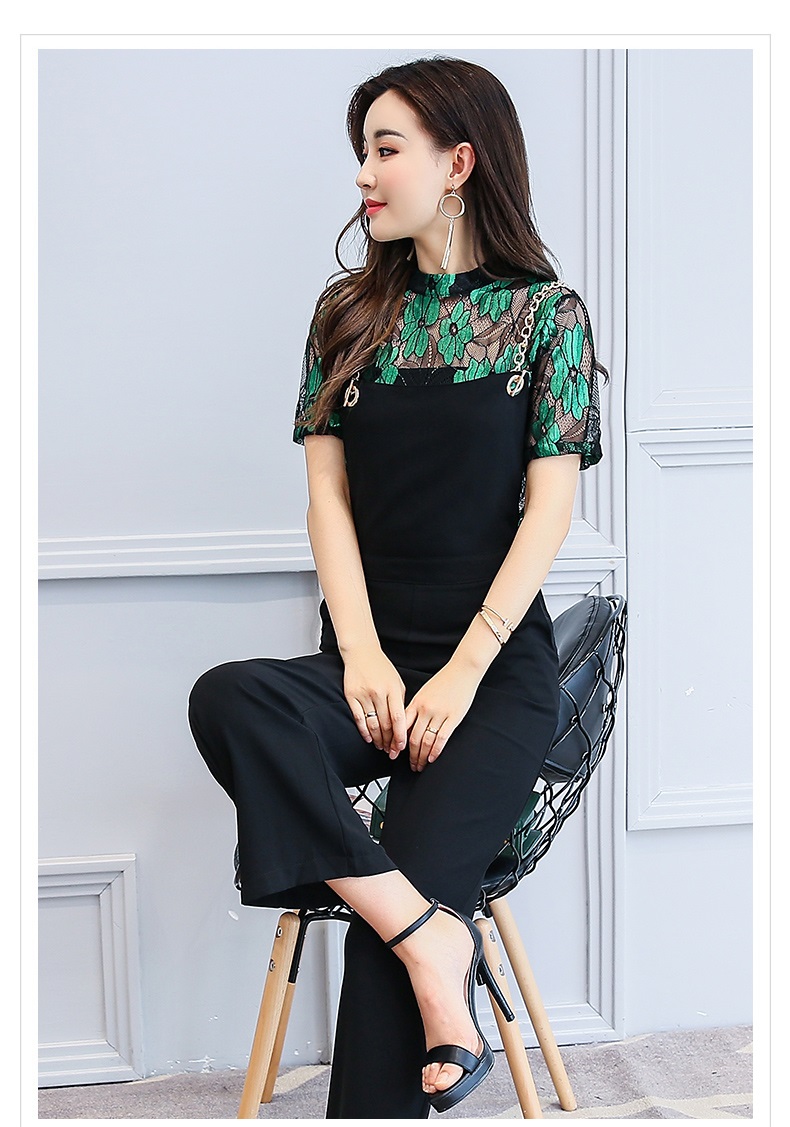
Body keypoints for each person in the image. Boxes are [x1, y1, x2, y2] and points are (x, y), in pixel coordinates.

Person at [188, 54, 607, 1119]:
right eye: (362, 153)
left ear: (458, 163)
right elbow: (325, 502)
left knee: (384, 925)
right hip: (369, 669)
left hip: (489, 681)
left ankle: (409, 946)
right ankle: (433, 943)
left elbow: (548, 514)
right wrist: (364, 655)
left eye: (384, 151)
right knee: (229, 698)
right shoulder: (345, 314)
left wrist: (462, 673)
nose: (363, 176)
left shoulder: (546, 317)